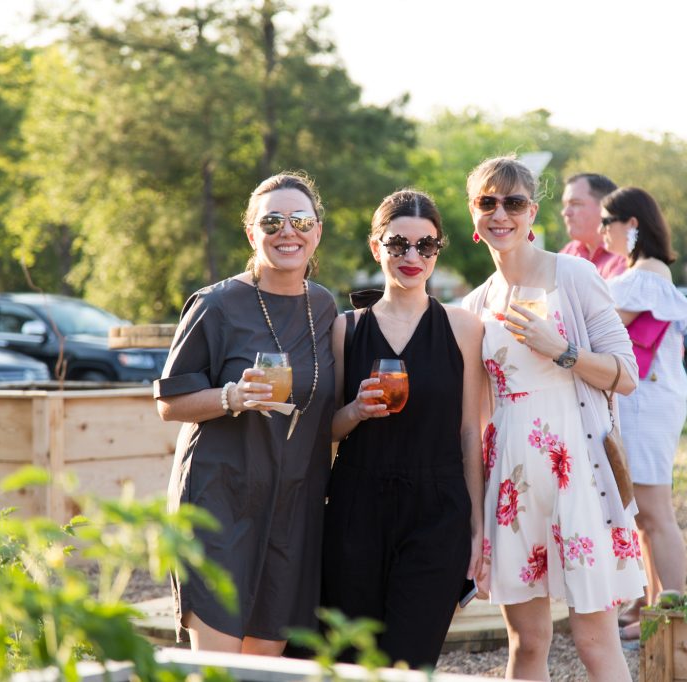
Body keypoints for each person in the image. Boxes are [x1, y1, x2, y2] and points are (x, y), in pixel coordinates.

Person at [463, 156, 645, 682]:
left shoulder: (574, 275)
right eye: (488, 202)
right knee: (526, 644)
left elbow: (626, 375)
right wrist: (475, 518)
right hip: (513, 485)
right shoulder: (476, 304)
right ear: (473, 212)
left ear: (532, 212)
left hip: (578, 475)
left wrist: (561, 349)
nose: (501, 213)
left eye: (513, 202)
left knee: (595, 643)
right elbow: (476, 420)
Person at [154, 172, 336, 655]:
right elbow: (169, 403)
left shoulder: (323, 306)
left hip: (292, 509)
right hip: (219, 501)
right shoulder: (215, 304)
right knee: (218, 667)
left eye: (300, 221)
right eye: (272, 221)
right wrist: (231, 397)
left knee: (266, 667)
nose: (287, 232)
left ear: (317, 231)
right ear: (252, 233)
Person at [322, 189, 486, 669]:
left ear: (438, 250)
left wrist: (477, 526)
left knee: (410, 663)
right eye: (398, 244)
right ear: (377, 247)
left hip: (437, 511)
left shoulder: (464, 328)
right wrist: (356, 410)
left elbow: (469, 432)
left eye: (425, 245)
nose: (412, 257)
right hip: (356, 508)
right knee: (352, 661)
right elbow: (327, 430)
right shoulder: (346, 329)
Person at [599, 187, 687, 642]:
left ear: (632, 224)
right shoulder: (646, 275)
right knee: (644, 514)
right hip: (649, 399)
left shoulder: (644, 278)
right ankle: (655, 607)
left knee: (656, 511)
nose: (603, 231)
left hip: (647, 402)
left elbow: (598, 322)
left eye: (607, 221)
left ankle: (670, 614)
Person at [560, 173, 626, 279]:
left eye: (575, 203)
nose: (565, 212)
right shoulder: (570, 251)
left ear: (605, 207)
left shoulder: (626, 255)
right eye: (565, 205)